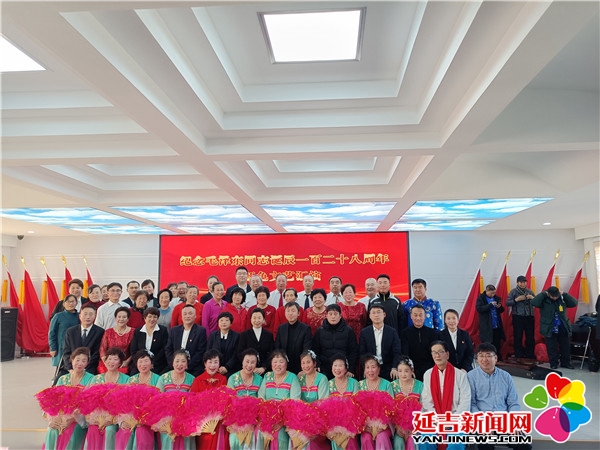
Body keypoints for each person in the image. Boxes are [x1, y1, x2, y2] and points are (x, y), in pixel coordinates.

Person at [467, 343, 530, 450]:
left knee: (523, 445)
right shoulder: (471, 377)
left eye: (488, 355)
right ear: (477, 358)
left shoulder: (506, 376)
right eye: (481, 356)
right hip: (483, 419)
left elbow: (513, 403)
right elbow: (471, 404)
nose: (484, 359)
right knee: (485, 445)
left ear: (495, 358)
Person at [421, 340, 471, 450]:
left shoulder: (460, 375)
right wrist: (437, 420)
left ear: (447, 354)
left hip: (456, 419)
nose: (437, 355)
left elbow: (465, 402)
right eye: (434, 352)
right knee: (425, 440)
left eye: (440, 352)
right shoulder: (428, 374)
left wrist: (451, 421)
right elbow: (426, 400)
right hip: (435, 419)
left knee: (456, 443)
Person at [46, 347, 94, 450]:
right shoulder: (63, 378)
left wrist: (72, 417)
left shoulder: (92, 379)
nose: (80, 363)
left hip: (80, 417)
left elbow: (90, 403)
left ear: (87, 363)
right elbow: (55, 400)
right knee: (52, 429)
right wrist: (58, 418)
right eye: (77, 360)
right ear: (72, 360)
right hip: (63, 414)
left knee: (69, 431)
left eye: (83, 361)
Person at [258, 350, 301, 449]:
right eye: (275, 362)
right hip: (266, 416)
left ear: (286, 364)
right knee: (258, 434)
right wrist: (265, 417)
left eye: (281, 362)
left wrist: (282, 421)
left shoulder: (292, 377)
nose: (278, 365)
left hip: (285, 419)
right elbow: (261, 397)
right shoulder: (267, 376)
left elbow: (294, 401)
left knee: (279, 437)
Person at [156, 349, 195, 450]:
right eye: (177, 361)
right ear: (172, 363)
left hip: (185, 415)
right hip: (166, 416)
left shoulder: (192, 379)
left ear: (187, 364)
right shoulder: (163, 378)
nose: (179, 364)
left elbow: (193, 402)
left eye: (183, 361)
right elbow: (157, 400)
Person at [531, 286, 578, 369]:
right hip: (549, 327)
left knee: (565, 346)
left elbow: (574, 303)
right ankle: (553, 363)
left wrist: (564, 294)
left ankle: (566, 363)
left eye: (556, 296)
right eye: (553, 296)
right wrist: (543, 294)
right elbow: (533, 302)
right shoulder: (544, 300)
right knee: (551, 347)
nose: (555, 298)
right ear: (548, 294)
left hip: (562, 326)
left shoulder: (562, 299)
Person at [191, 350, 229, 450]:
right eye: (210, 362)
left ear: (219, 364)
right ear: (205, 363)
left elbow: (225, 399)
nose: (212, 365)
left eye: (216, 362)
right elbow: (193, 401)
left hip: (218, 419)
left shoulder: (223, 379)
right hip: (203, 421)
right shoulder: (198, 380)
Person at [227, 349, 264, 450]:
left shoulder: (260, 379)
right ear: (242, 362)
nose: (249, 365)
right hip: (236, 418)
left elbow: (261, 400)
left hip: (254, 418)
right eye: (247, 361)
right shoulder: (232, 378)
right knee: (234, 442)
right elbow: (229, 402)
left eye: (253, 362)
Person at [358, 355, 394, 450]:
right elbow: (356, 409)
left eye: (373, 367)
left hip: (384, 426)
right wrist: (363, 426)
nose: (370, 371)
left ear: (379, 369)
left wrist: (384, 425)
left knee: (381, 437)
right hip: (366, 426)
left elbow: (392, 408)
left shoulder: (387, 384)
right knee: (366, 438)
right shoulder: (360, 385)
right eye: (367, 367)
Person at [58, 304, 105, 379]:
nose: (88, 317)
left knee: (88, 382)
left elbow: (96, 353)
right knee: (59, 382)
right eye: (85, 314)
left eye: (91, 314)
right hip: (71, 366)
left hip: (89, 367)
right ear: (80, 316)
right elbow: (66, 352)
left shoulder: (100, 332)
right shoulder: (71, 331)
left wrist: (83, 367)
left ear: (95, 316)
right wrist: (71, 369)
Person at [312, 304, 357, 379]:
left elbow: (353, 351)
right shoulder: (320, 331)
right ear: (326, 315)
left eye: (335, 314)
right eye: (330, 314)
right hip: (324, 368)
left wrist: (351, 369)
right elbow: (315, 350)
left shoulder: (348, 330)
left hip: (343, 368)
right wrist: (317, 364)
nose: (333, 316)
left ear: (340, 316)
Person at [359, 304, 402, 381]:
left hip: (388, 367)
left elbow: (397, 352)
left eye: (379, 312)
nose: (376, 315)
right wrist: (366, 367)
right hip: (371, 367)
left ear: (384, 314)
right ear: (370, 316)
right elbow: (362, 353)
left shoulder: (392, 332)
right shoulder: (364, 332)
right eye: (373, 313)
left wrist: (394, 367)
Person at [164, 304, 208, 376]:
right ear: (181, 316)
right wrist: (174, 364)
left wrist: (186, 365)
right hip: (175, 366)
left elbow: (200, 352)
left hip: (193, 367)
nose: (187, 316)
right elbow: (168, 349)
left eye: (190, 314)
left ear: (195, 316)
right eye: (185, 314)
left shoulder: (200, 331)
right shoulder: (175, 330)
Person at [391, 356, 424, 450]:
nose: (403, 374)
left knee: (412, 441)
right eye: (400, 371)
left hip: (415, 426)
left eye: (406, 371)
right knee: (398, 443)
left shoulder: (420, 385)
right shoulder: (392, 386)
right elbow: (390, 409)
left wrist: (415, 427)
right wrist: (397, 427)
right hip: (398, 428)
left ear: (412, 370)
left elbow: (424, 408)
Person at [400, 304, 440, 381]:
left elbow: (435, 352)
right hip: (412, 369)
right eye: (415, 315)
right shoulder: (405, 333)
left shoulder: (432, 333)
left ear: (425, 316)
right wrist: (409, 369)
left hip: (430, 368)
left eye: (420, 315)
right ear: (411, 316)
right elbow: (404, 353)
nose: (418, 318)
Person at [129, 307, 169, 375]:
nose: (152, 319)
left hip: (157, 364)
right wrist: (141, 363)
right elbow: (133, 350)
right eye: (149, 316)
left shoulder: (163, 330)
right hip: (140, 364)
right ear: (145, 318)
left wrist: (152, 363)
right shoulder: (138, 331)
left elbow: (164, 349)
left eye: (155, 317)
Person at [275, 302, 312, 374]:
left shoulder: (305, 328)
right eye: (288, 311)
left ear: (298, 313)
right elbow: (277, 347)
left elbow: (307, 349)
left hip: (300, 365)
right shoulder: (281, 328)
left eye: (293, 311)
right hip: (284, 365)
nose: (290, 313)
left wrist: (304, 367)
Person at [506, 276, 536, 360]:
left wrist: (533, 298)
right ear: (517, 283)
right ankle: (518, 354)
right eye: (521, 282)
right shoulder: (513, 292)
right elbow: (507, 303)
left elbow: (537, 303)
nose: (523, 284)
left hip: (529, 316)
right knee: (518, 336)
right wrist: (516, 300)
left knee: (530, 336)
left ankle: (530, 354)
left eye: (524, 282)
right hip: (518, 317)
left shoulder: (530, 291)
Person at [97, 306, 135, 374]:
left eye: (124, 317)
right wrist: (106, 362)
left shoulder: (133, 332)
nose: (121, 319)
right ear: (115, 318)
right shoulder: (108, 332)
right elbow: (102, 349)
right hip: (109, 362)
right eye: (119, 317)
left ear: (128, 319)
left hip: (124, 363)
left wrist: (127, 362)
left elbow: (135, 350)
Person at [237, 308, 274, 375]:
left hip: (265, 371)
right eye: (254, 318)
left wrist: (264, 367)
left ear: (263, 319)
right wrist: (250, 367)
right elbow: (240, 353)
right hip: (248, 369)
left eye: (259, 318)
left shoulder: (269, 335)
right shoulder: (244, 335)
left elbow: (272, 353)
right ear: (250, 319)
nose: (257, 320)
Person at [49, 294, 79, 371]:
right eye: (68, 302)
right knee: (61, 369)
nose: (71, 304)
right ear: (64, 304)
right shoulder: (58, 316)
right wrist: (53, 348)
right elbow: (52, 333)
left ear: (76, 303)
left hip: (76, 346)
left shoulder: (79, 316)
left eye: (73, 301)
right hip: (61, 347)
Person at [476, 284, 506, 360]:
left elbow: (502, 310)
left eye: (494, 293)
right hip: (487, 325)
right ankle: (488, 358)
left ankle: (497, 358)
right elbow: (479, 309)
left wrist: (500, 307)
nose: (493, 295)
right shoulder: (481, 298)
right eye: (491, 293)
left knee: (497, 343)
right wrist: (490, 305)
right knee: (488, 343)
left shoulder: (497, 298)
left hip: (496, 324)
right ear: (487, 291)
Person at [207, 311, 240, 376]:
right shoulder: (213, 335)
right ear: (218, 323)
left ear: (231, 323)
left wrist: (227, 367)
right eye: (221, 320)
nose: (224, 322)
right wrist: (215, 366)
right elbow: (208, 352)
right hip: (214, 368)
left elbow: (236, 354)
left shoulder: (236, 336)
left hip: (231, 369)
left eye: (227, 320)